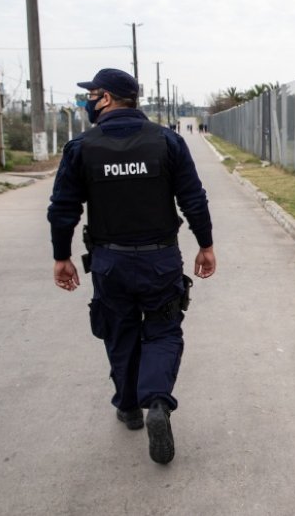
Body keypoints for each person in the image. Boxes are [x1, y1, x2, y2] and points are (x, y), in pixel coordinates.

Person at [48, 68, 216, 465]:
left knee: (118, 331)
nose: (88, 101)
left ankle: (128, 407)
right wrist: (206, 245)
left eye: (92, 95)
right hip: (160, 259)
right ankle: (157, 400)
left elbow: (63, 210)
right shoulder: (167, 141)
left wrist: (61, 256)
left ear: (106, 98)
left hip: (110, 262)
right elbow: (194, 199)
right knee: (162, 330)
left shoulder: (81, 148)